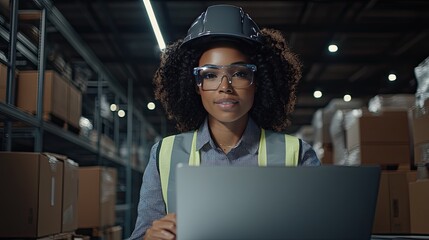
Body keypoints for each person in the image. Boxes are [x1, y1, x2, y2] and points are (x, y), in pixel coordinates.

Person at [129, 4, 320, 240]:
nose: (225, 87)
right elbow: (139, 236)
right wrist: (150, 238)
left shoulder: (298, 154)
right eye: (210, 75)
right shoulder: (163, 155)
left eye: (239, 73)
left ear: (258, 82)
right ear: (197, 86)